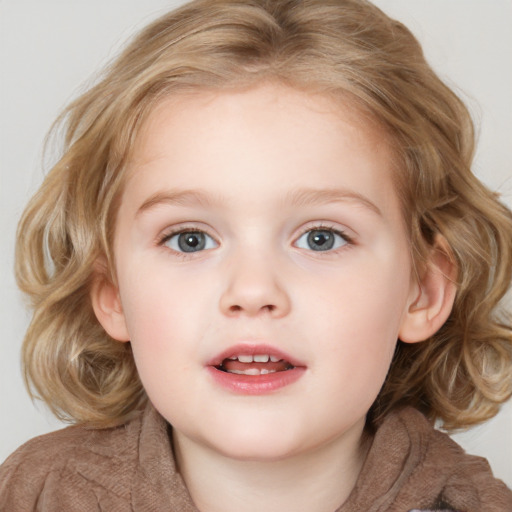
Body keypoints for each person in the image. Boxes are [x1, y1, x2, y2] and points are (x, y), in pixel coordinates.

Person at [1, 0, 511, 510]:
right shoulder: (35, 493)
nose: (252, 290)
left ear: (421, 290)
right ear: (112, 292)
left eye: (321, 238)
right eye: (190, 239)